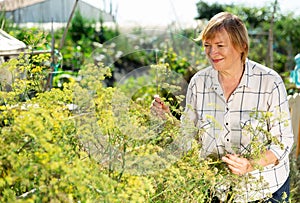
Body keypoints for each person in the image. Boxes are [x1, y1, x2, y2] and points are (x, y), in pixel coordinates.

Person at [151, 12, 294, 202]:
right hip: (216, 189)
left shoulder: (270, 82)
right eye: (207, 46)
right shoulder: (199, 82)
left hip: (264, 190)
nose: (212, 53)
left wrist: (250, 165)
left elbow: (283, 141)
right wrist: (168, 119)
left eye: (220, 45)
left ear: (242, 46)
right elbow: (189, 136)